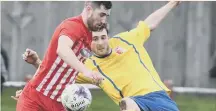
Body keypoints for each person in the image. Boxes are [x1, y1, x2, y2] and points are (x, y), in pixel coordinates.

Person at [14, 1, 180, 111]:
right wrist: (32, 88)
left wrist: (173, 2)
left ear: (109, 36)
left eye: (103, 36)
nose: (100, 42)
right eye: (95, 39)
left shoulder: (127, 39)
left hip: (158, 96)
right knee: (128, 104)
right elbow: (61, 59)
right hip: (133, 102)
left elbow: (149, 24)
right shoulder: (89, 63)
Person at [15, 1, 112, 111]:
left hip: (61, 103)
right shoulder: (72, 26)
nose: (104, 20)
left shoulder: (92, 34)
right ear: (89, 10)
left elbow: (59, 70)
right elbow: (62, 49)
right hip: (35, 99)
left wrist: (36, 62)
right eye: (101, 15)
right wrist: (87, 71)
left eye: (106, 16)